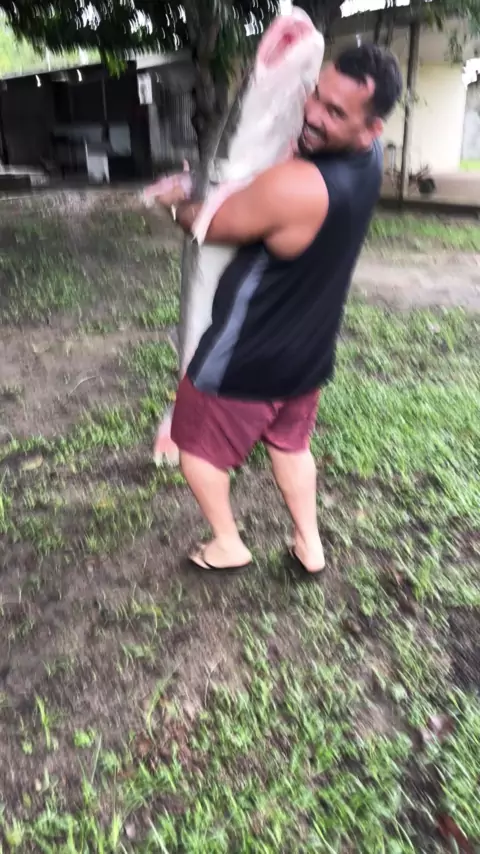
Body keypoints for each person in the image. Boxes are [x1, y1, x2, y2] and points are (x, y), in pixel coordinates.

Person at [150, 43, 402, 577]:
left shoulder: (295, 187)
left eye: (335, 112)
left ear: (371, 128)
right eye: (317, 96)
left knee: (196, 448)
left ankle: (227, 543)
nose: (312, 113)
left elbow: (207, 224)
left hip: (248, 354)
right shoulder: (370, 160)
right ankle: (310, 545)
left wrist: (173, 201)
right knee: (291, 445)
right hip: (309, 351)